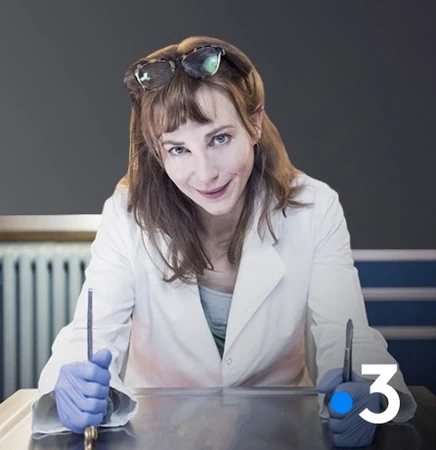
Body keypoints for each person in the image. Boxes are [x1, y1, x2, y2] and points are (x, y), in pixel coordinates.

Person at [31, 35, 417, 447]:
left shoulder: (314, 208)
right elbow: (90, 334)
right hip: (158, 437)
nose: (205, 173)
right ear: (157, 153)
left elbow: (352, 339)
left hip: (280, 435)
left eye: (219, 138)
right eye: (178, 149)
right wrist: (68, 390)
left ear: (254, 123)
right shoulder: (128, 215)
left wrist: (371, 399)